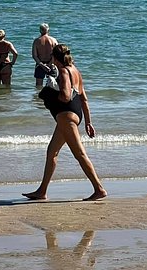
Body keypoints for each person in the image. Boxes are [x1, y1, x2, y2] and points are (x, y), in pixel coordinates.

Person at [23, 44, 107, 201]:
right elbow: (84, 98)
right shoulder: (75, 70)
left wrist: (51, 92)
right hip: (75, 113)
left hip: (66, 115)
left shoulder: (63, 71)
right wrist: (88, 122)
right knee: (52, 151)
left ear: (55, 57)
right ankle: (42, 191)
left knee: (80, 154)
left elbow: (66, 96)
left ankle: (99, 188)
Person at [32, 23, 58, 87]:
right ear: (48, 30)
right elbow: (56, 54)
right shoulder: (54, 40)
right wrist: (50, 64)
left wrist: (42, 65)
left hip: (40, 64)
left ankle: (38, 97)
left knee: (38, 86)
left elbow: (34, 56)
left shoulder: (36, 41)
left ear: (40, 30)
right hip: (51, 64)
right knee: (53, 85)